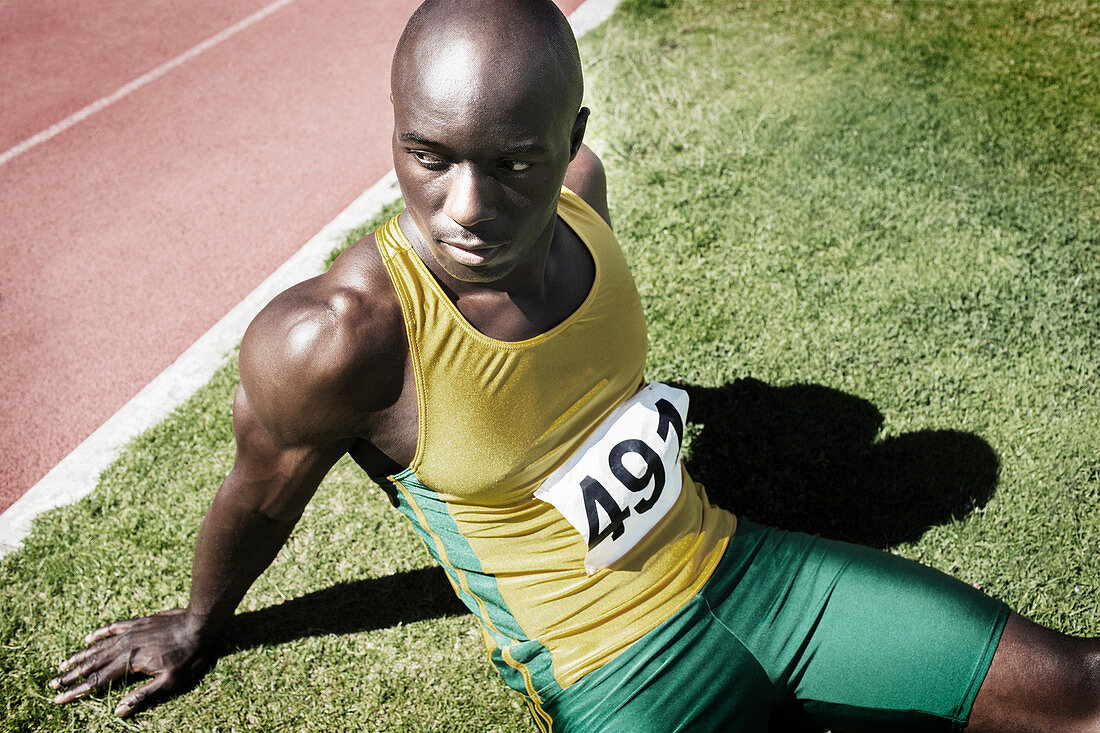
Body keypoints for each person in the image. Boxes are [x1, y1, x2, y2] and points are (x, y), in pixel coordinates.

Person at [50, 1, 1100, 730]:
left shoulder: (584, 203)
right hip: (613, 674)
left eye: (512, 162)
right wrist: (197, 622)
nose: (467, 208)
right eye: (430, 156)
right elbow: (260, 490)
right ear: (396, 139)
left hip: (748, 573)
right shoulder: (340, 335)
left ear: (568, 141)